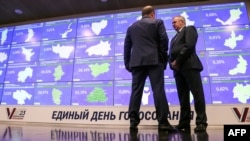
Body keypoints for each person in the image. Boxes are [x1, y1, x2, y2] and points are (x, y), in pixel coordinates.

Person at [123, 5, 176, 131]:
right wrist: (162, 58)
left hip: (137, 63)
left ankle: (133, 122)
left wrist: (128, 64)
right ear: (152, 14)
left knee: (136, 91)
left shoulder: (132, 27)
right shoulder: (157, 22)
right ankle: (163, 123)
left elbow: (127, 47)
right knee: (158, 91)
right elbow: (164, 40)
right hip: (154, 61)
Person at [169, 15, 208, 132]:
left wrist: (177, 60)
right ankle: (184, 123)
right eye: (172, 23)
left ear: (182, 22)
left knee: (197, 95)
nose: (173, 24)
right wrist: (171, 63)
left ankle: (201, 122)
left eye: (175, 22)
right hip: (177, 70)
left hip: (189, 66)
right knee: (183, 97)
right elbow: (171, 53)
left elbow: (189, 46)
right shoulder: (174, 38)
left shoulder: (189, 29)